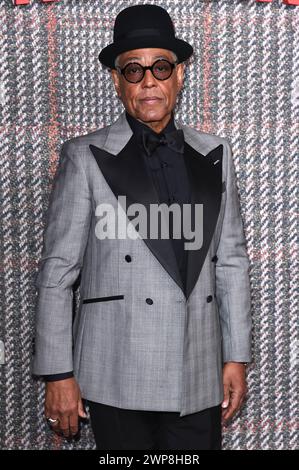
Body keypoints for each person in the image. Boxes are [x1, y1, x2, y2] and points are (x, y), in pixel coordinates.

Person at [32, 4, 252, 450]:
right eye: (134, 70)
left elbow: (230, 262)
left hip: (198, 369)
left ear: (179, 74)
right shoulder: (84, 155)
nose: (148, 80)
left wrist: (236, 356)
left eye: (161, 67)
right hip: (116, 369)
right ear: (117, 81)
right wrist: (58, 373)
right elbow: (57, 273)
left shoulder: (215, 153)